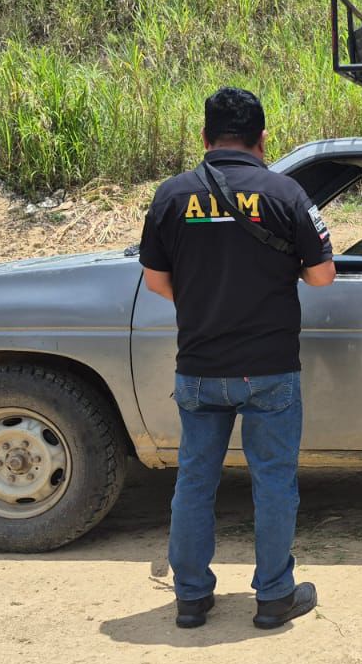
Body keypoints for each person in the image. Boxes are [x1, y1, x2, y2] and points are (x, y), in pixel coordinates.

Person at [138, 87, 336, 630]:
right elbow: (322, 275)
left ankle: (191, 598)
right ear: (262, 139)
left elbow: (155, 280)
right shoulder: (285, 193)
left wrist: (203, 303)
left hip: (199, 367)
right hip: (270, 368)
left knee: (194, 481)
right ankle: (273, 597)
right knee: (273, 483)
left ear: (204, 137)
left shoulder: (172, 195)